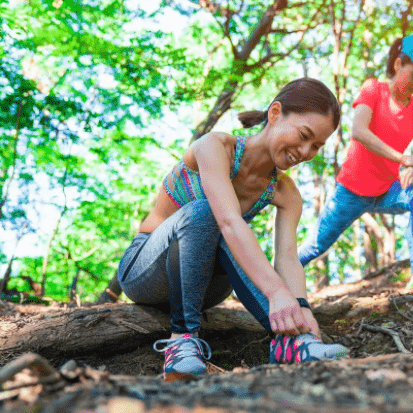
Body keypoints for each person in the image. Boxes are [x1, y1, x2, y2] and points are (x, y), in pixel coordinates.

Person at [116, 78, 349, 382]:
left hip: (209, 286)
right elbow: (229, 221)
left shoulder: (286, 193)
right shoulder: (215, 147)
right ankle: (181, 342)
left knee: (230, 237)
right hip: (145, 271)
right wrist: (276, 291)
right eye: (304, 135)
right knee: (205, 212)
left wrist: (302, 307)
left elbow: (289, 258)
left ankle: (291, 342)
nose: (305, 151)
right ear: (275, 112)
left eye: (316, 145)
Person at [298, 34, 413, 291]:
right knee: (313, 246)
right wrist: (405, 158)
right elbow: (358, 130)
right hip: (349, 192)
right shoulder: (373, 90)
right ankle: (267, 282)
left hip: (387, 192)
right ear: (398, 65)